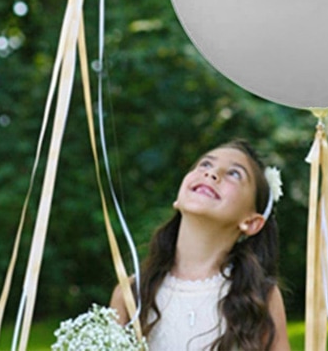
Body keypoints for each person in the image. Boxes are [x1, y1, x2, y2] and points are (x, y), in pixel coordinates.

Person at [111, 139, 290, 351]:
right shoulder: (130, 293)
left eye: (234, 174)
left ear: (251, 222)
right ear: (178, 198)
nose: (212, 174)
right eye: (205, 164)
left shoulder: (260, 296)